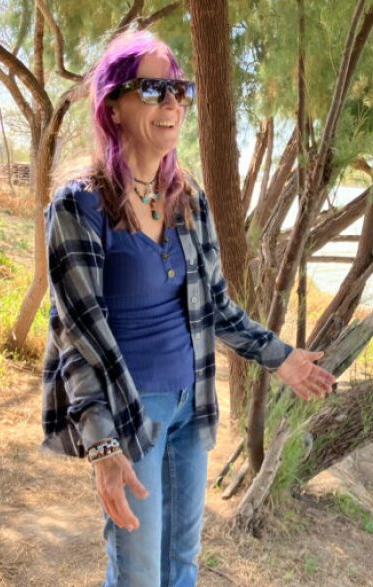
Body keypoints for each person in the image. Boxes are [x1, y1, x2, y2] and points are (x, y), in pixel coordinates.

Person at [39, 30, 336, 587]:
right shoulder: (79, 204)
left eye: (180, 89)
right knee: (138, 576)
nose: (173, 103)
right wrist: (102, 444)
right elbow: (74, 336)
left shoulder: (188, 199)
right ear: (114, 105)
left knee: (181, 568)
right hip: (131, 416)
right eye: (153, 89)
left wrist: (282, 358)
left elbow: (218, 307)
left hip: (192, 407)